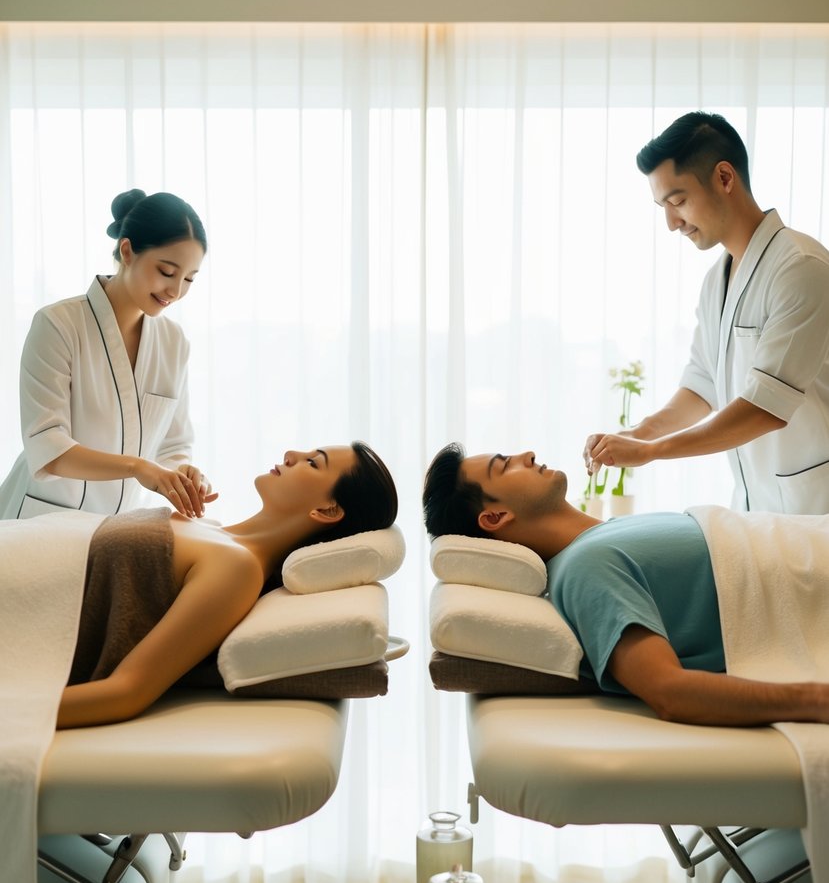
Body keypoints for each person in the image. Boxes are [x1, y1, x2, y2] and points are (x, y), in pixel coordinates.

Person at [422, 442, 829, 727]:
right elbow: (669, 691)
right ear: (494, 518)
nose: (527, 454)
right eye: (504, 464)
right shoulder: (586, 569)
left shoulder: (603, 538)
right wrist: (815, 701)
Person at [583, 112, 829, 514]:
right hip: (756, 511)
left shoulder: (801, 267)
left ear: (725, 178)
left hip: (815, 512)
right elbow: (702, 388)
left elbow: (764, 408)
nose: (671, 222)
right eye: (663, 206)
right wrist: (637, 434)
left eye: (677, 201)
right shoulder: (717, 280)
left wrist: (652, 451)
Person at [58, 442, 397, 728]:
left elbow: (127, 691)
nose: (292, 453)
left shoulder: (238, 569)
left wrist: (17, 714)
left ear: (326, 510)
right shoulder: (211, 529)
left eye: (312, 462)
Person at [0, 188, 215, 521]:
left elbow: (173, 445)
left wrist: (182, 475)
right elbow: (48, 448)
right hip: (36, 523)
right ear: (127, 251)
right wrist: (139, 467)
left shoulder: (174, 342)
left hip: (112, 533)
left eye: (189, 278)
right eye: (167, 272)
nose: (176, 291)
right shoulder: (57, 325)